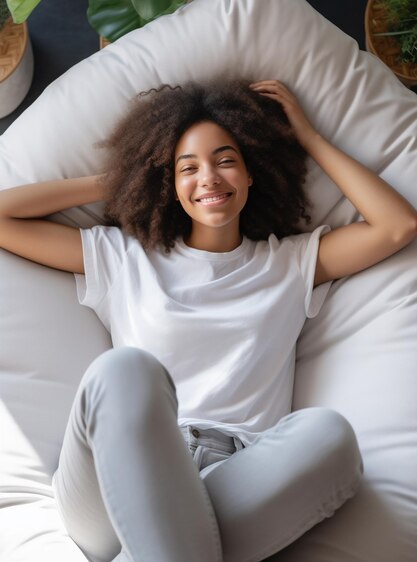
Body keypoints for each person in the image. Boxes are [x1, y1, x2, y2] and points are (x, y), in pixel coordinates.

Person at [0, 78, 416, 562]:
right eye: (187, 168)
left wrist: (309, 137)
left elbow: (397, 225)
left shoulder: (291, 264)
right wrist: (123, 177)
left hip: (241, 474)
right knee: (125, 371)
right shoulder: (125, 257)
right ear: (170, 185)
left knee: (329, 436)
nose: (209, 178)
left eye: (225, 160)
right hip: (119, 471)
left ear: (250, 173)